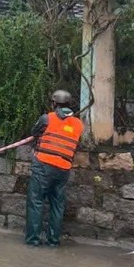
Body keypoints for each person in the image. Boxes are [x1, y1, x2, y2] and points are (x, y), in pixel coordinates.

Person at [25, 89, 84, 248]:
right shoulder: (78, 124)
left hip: (43, 166)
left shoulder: (47, 118)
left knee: (36, 202)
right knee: (57, 205)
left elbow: (34, 132)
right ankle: (53, 241)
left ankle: (33, 240)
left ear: (54, 103)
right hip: (63, 169)